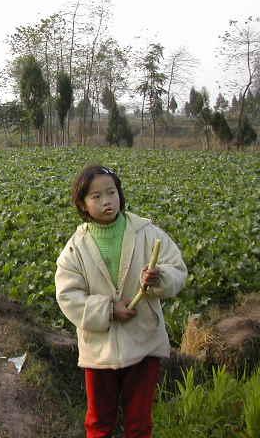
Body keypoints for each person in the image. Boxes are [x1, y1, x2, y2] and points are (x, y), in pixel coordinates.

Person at [55, 165, 187, 438]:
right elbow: (68, 296)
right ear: (82, 204)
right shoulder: (75, 248)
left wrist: (159, 278)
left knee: (139, 423)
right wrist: (107, 309)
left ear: (120, 194)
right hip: (99, 351)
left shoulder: (147, 233)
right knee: (99, 422)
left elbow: (177, 270)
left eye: (111, 192)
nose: (106, 201)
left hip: (144, 342)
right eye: (96, 196)